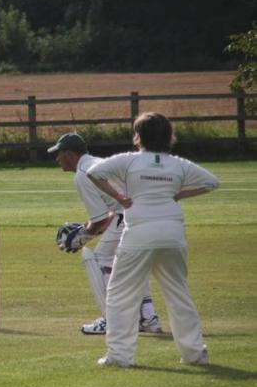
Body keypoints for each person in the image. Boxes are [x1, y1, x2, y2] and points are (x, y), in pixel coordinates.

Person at [87, 112, 218, 367]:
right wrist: (177, 195)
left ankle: (119, 356)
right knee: (178, 293)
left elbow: (94, 172)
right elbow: (212, 183)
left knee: (120, 294)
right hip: (173, 233)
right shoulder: (178, 164)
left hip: (139, 232)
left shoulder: (129, 161)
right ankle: (194, 354)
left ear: (138, 137)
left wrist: (121, 197)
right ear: (169, 137)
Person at [48, 133, 162, 335]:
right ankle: (147, 318)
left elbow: (101, 219)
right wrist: (86, 231)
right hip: (147, 213)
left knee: (100, 259)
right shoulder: (97, 162)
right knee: (134, 263)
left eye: (59, 154)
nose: (57, 159)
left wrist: (81, 238)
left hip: (128, 215)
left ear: (69, 153)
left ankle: (113, 320)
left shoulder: (83, 174)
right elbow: (106, 217)